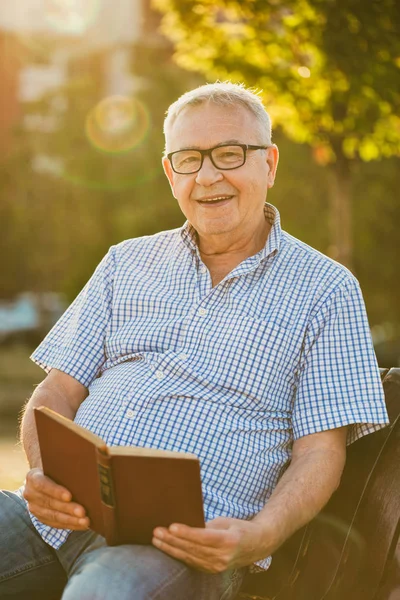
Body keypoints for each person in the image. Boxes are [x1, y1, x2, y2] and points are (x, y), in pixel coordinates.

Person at [0, 82, 389, 600]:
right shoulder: (125, 262)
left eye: (230, 154)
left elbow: (320, 451)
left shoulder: (326, 289)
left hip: (181, 544)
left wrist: (262, 536)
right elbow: (56, 393)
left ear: (269, 164)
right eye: (188, 159)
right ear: (170, 173)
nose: (208, 177)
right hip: (51, 517)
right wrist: (44, 472)